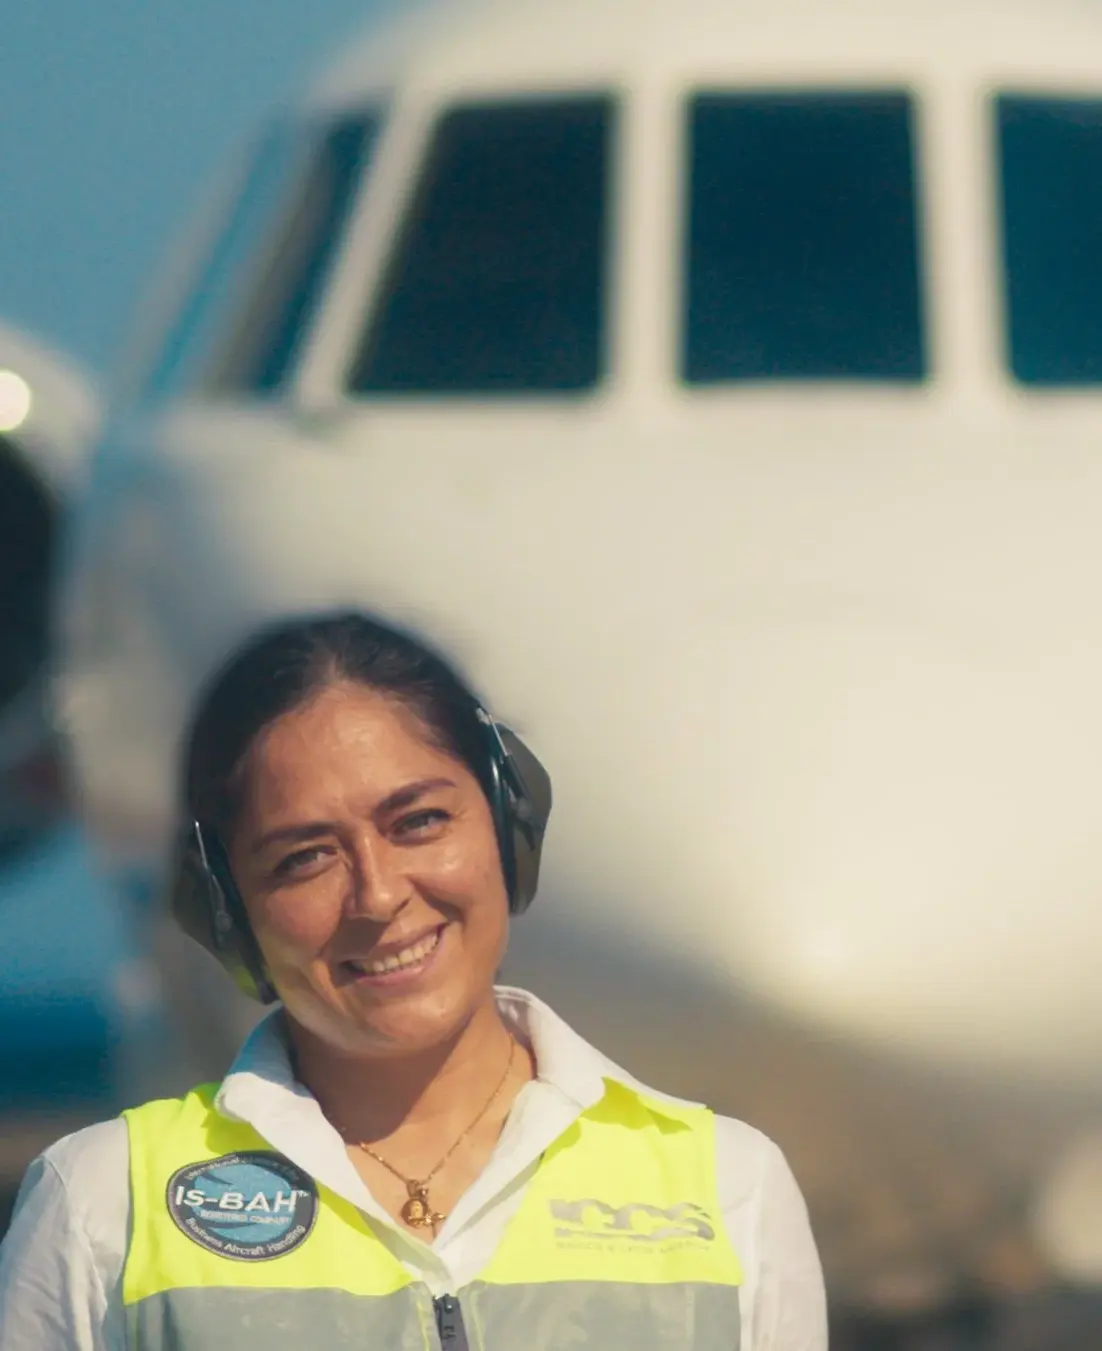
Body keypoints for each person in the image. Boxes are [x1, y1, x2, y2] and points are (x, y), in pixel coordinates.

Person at [0, 611, 828, 1350]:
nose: (379, 894)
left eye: (419, 821)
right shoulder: (105, 1207)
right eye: (304, 857)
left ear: (511, 824)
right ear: (225, 908)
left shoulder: (729, 1194)